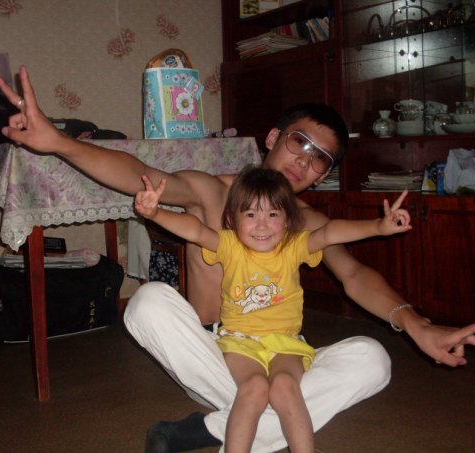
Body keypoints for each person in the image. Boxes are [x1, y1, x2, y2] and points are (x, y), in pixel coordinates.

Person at [0, 66, 475, 453]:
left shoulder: (306, 222)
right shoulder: (212, 192)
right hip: (217, 353)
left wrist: (417, 325)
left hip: (281, 354)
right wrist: (58, 142)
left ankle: (210, 429)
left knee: (373, 358)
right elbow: (143, 176)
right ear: (272, 139)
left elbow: (353, 273)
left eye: (320, 159)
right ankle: (257, 415)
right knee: (148, 302)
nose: (304, 161)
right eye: (299, 142)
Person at [134, 166, 412, 452]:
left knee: (285, 387)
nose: (262, 225)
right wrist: (155, 213)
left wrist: (378, 226)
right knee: (253, 388)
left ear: (288, 220)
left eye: (273, 214)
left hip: (286, 343)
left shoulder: (294, 245)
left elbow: (329, 232)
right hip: (240, 342)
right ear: (231, 219)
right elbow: (195, 230)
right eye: (250, 215)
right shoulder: (229, 244)